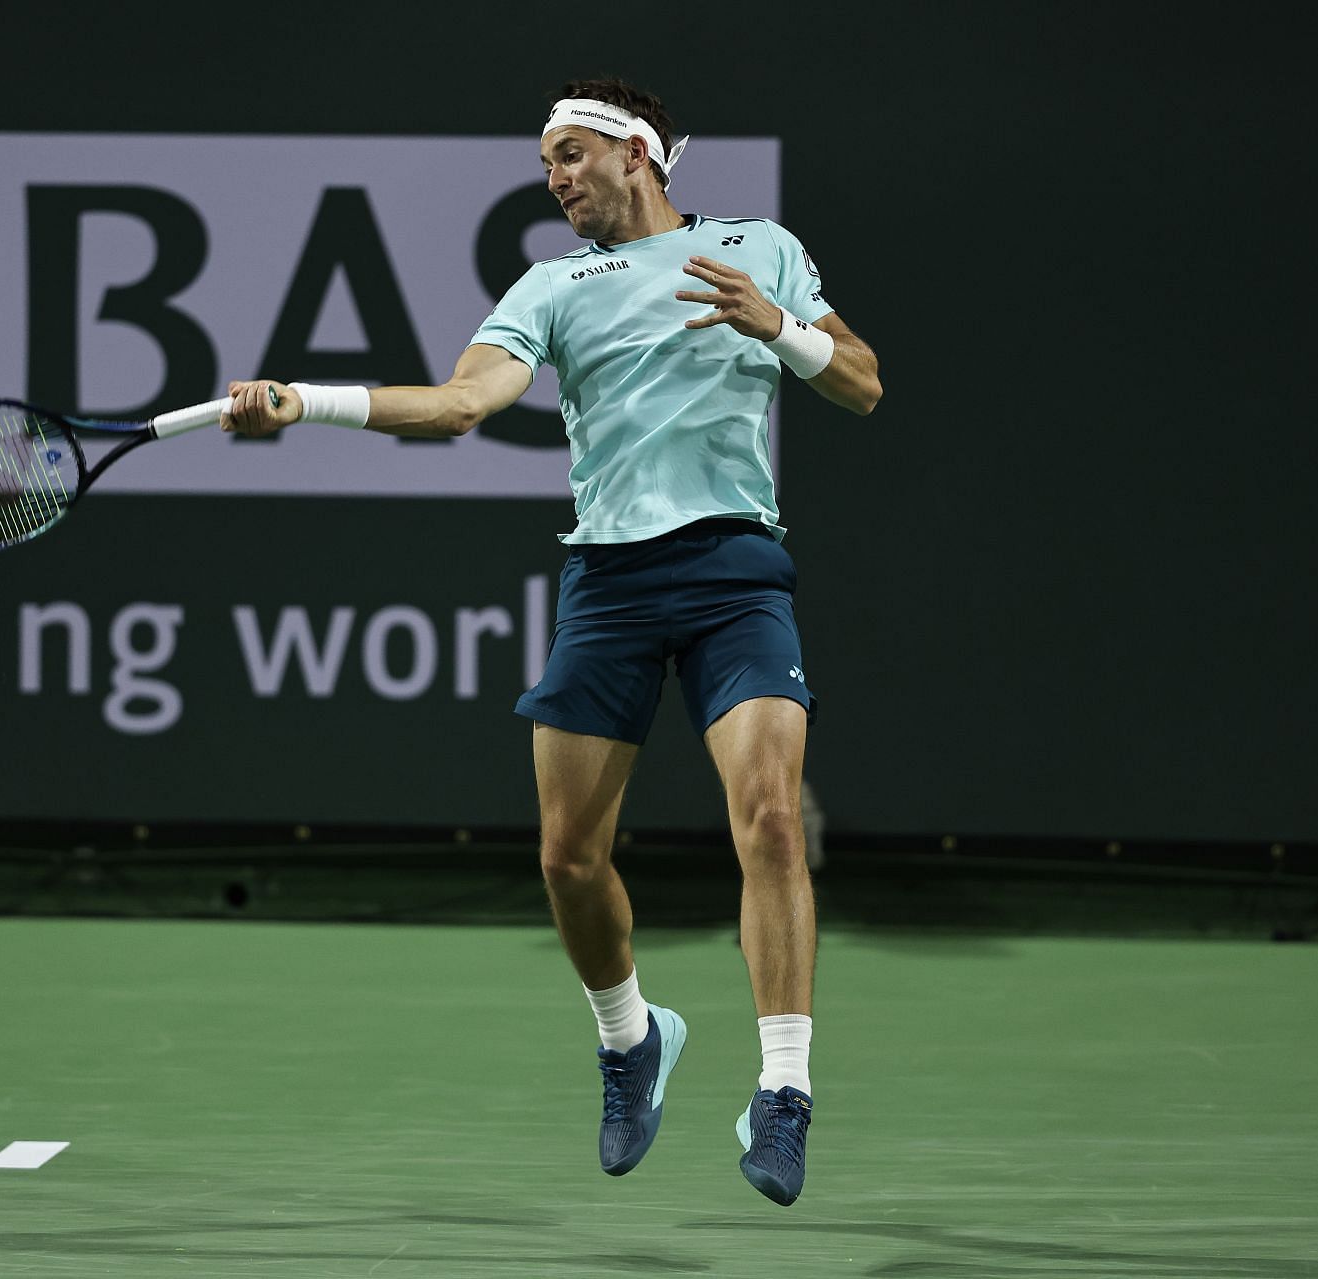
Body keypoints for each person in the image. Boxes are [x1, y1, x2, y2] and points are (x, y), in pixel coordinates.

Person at [222, 77, 882, 1207]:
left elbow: (864, 384)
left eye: (572, 154)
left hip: (734, 570)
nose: (556, 178)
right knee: (568, 858)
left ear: (638, 153)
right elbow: (457, 406)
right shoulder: (550, 285)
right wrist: (304, 401)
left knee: (771, 817)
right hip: (610, 582)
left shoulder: (757, 247)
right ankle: (632, 1040)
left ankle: (783, 1089)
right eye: (546, 164)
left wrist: (781, 330)